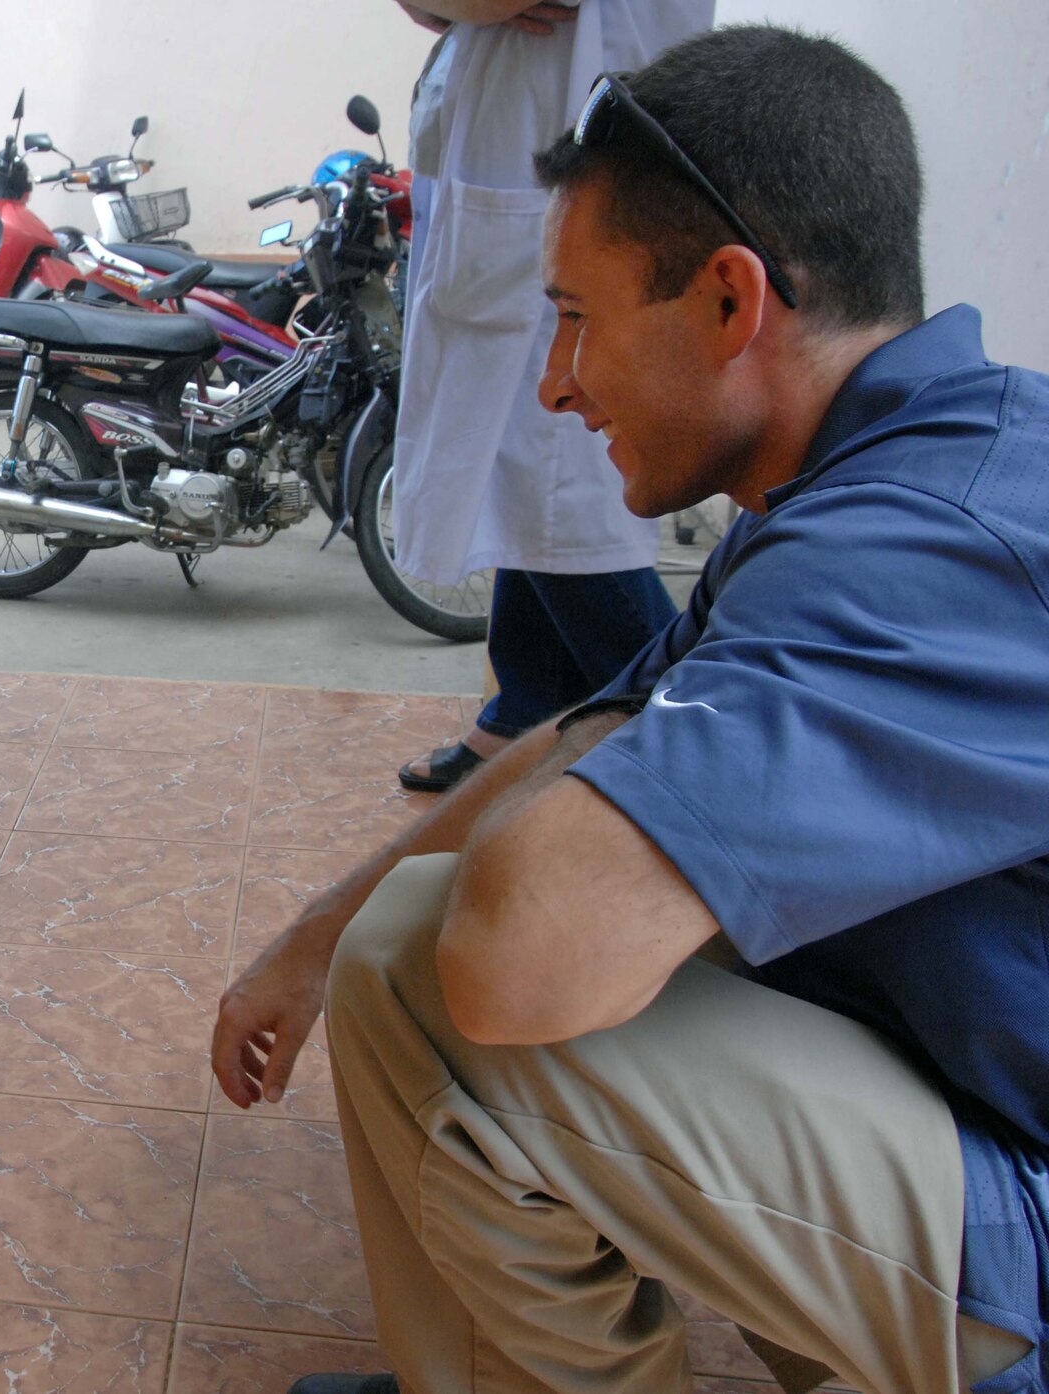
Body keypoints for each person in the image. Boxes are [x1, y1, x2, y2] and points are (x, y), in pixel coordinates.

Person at [213, 25, 1047, 1394]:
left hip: (1030, 1209)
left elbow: (516, 955)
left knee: (433, 977)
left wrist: (380, 936)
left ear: (733, 301)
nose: (554, 380)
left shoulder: (920, 555)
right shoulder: (897, 468)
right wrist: (314, 929)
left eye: (577, 316)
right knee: (440, 926)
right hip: (987, 1093)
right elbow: (598, 725)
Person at [387, 0, 711, 794]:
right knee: (519, 475)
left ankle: (689, 754)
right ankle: (523, 712)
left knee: (563, 493)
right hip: (516, 154)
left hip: (575, 145)